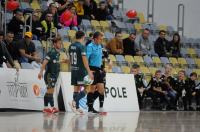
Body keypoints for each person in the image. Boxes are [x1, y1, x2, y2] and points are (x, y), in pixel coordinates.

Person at [69, 31, 93, 114]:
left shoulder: (71, 46)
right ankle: (74, 102)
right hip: (81, 71)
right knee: (88, 88)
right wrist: (89, 71)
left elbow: (72, 58)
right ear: (83, 37)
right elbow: (84, 60)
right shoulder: (82, 46)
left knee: (76, 89)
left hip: (73, 70)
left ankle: (77, 107)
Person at [38, 37, 64, 113]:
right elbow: (44, 63)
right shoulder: (51, 52)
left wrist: (62, 61)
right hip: (50, 75)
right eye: (59, 43)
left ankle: (45, 108)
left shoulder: (57, 52)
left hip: (54, 75)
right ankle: (52, 107)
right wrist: (40, 72)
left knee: (48, 91)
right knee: (50, 91)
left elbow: (55, 62)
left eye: (60, 43)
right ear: (54, 44)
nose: (60, 45)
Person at [86, 31, 105, 113]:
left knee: (101, 90)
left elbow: (101, 58)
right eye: (100, 39)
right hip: (92, 69)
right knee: (92, 89)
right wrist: (88, 71)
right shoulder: (90, 46)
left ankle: (101, 108)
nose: (101, 40)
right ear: (95, 39)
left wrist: (102, 68)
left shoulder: (100, 46)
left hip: (99, 70)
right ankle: (90, 109)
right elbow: (86, 59)